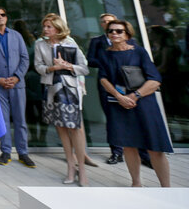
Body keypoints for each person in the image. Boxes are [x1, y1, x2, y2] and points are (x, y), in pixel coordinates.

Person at [98, 19, 172, 187]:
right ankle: (136, 183)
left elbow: (155, 80)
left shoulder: (139, 52)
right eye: (111, 31)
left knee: (155, 147)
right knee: (129, 146)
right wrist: (119, 96)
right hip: (120, 103)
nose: (114, 33)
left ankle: (166, 188)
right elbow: (103, 78)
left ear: (127, 34)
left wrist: (135, 96)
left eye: (119, 31)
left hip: (144, 104)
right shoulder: (105, 54)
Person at [34, 13, 90, 186]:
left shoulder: (70, 43)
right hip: (52, 89)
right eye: (45, 26)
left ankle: (82, 169)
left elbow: (84, 68)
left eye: (49, 26)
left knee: (75, 128)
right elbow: (38, 67)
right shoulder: (40, 45)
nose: (46, 29)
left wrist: (68, 66)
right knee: (61, 129)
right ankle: (70, 167)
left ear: (58, 28)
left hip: (71, 90)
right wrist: (53, 67)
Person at [0, 7, 34, 168]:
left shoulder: (17, 36)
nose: (0, 17)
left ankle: (23, 152)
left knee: (20, 120)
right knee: (3, 120)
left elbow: (25, 58)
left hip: (17, 84)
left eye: (3, 15)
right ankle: (5, 151)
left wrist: (17, 76)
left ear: (6, 17)